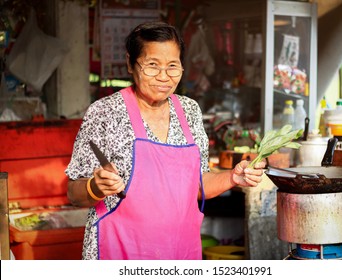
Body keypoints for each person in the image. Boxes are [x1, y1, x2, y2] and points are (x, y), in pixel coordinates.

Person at [65, 21, 265, 260]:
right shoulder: (105, 112)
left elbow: (198, 184)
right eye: (152, 65)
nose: (163, 76)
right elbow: (74, 193)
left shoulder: (189, 111)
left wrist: (233, 177)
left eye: (172, 66)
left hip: (179, 252)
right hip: (119, 251)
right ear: (131, 63)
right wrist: (94, 187)